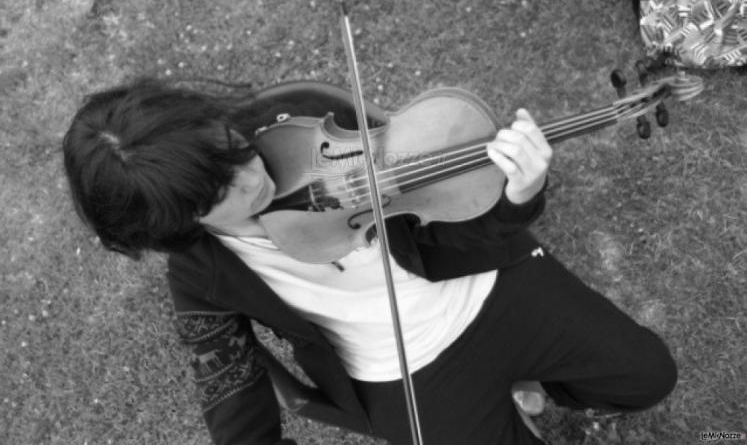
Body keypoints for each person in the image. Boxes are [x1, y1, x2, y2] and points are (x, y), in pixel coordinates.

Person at [62, 77, 677, 445]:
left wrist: (519, 195)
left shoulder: (301, 118)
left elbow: (440, 214)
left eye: (237, 155)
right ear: (174, 226)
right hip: (402, 373)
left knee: (647, 376)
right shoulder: (199, 272)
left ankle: (537, 384)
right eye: (217, 197)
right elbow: (229, 389)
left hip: (484, 284)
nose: (251, 183)